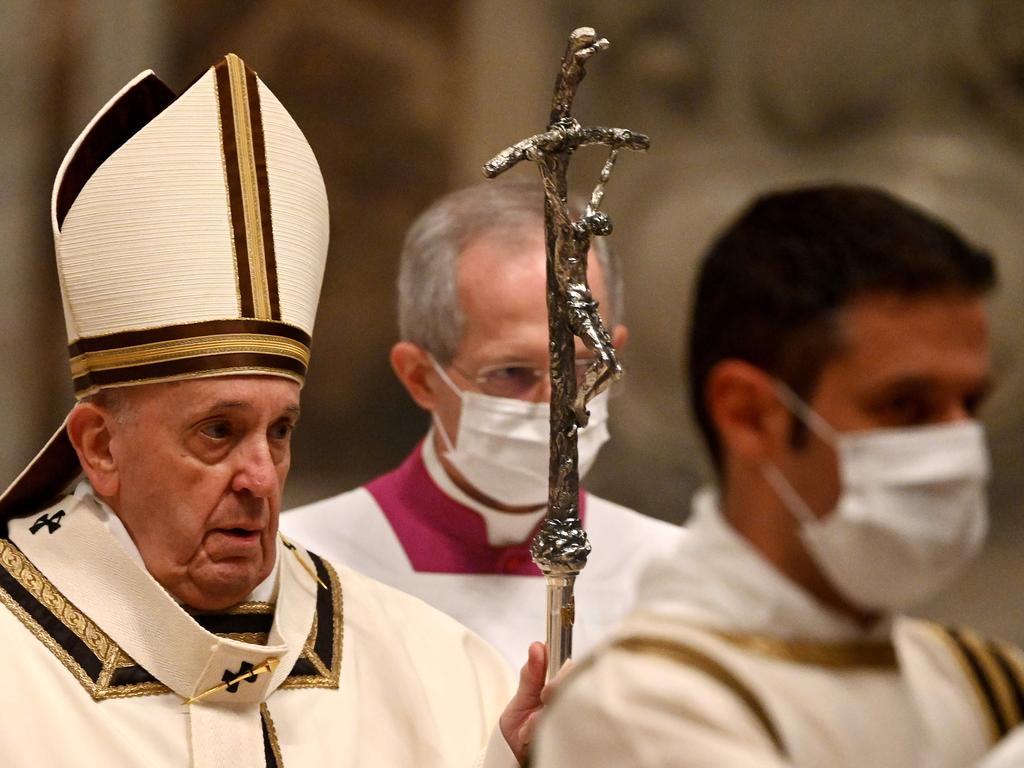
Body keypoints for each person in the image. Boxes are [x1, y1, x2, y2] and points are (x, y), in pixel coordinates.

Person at [0, 54, 545, 768]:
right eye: (217, 432)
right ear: (99, 447)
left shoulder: (438, 671)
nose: (260, 477)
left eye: (279, 430)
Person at [534, 184, 1024, 767]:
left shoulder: (984, 684)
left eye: (970, 405)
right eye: (906, 406)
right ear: (749, 414)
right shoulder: (635, 708)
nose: (956, 446)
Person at [281, 180, 683, 669]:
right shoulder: (300, 568)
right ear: (420, 377)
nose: (559, 408)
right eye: (512, 373)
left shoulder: (677, 576)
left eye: (581, 369)